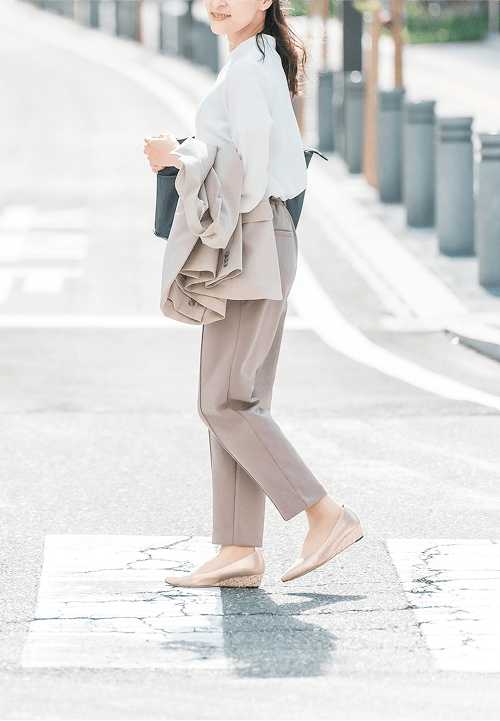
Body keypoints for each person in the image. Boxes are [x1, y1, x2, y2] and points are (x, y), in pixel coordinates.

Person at [142, 0, 361, 588]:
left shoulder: (245, 69)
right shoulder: (256, 58)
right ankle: (238, 548)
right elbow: (246, 160)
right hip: (266, 237)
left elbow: (248, 178)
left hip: (251, 238)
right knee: (239, 398)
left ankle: (323, 512)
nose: (218, 1)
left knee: (223, 401)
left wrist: (176, 163)